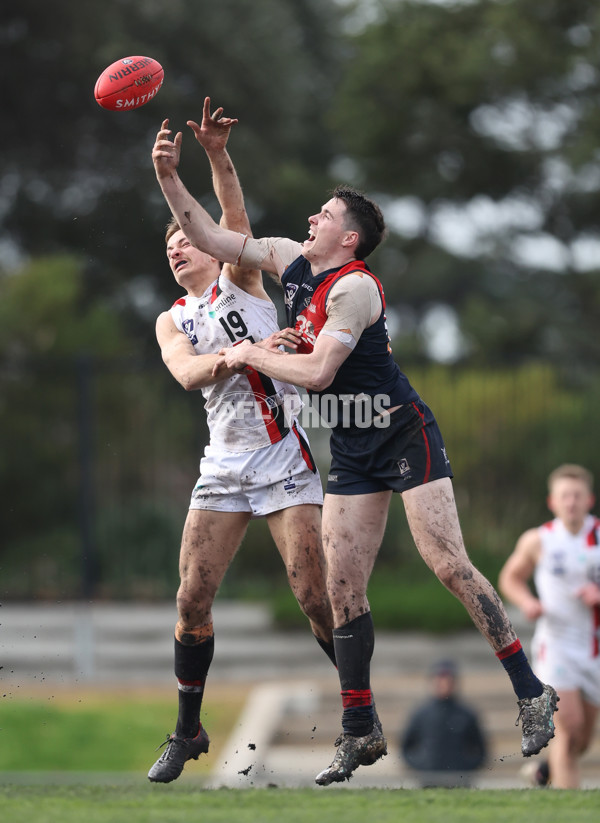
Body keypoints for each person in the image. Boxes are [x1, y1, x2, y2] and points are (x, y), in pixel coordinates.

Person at [151, 117, 558, 786]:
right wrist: (171, 175)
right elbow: (210, 232)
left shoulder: (354, 287)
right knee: (340, 591)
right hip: (349, 440)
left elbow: (315, 376)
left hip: (399, 429)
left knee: (448, 564)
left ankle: (530, 690)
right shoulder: (287, 258)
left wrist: (251, 351)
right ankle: (359, 728)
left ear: (349, 238)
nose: (313, 215)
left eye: (328, 213)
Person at [147, 99, 334, 784]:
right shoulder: (173, 321)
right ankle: (188, 728)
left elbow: (234, 220)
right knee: (191, 598)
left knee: (315, 595)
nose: (176, 246)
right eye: (167, 245)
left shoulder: (242, 278)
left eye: (184, 239)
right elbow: (187, 373)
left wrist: (215, 155)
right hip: (223, 467)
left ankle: (358, 708)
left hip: (283, 458)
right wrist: (239, 356)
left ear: (209, 249)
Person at [499, 464, 600, 789]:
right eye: (564, 496)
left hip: (593, 648)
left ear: (590, 500)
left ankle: (544, 773)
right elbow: (510, 577)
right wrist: (528, 602)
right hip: (555, 645)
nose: (571, 502)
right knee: (568, 728)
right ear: (552, 502)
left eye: (577, 495)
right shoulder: (538, 539)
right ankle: (567, 808)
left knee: (581, 740)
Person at [400, 659, 487, 787]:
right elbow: (406, 747)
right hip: (428, 781)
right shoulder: (420, 714)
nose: (443, 684)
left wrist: (465, 767)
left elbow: (481, 750)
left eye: (447, 679)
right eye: (439, 679)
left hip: (459, 782)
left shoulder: (467, 714)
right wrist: (421, 765)